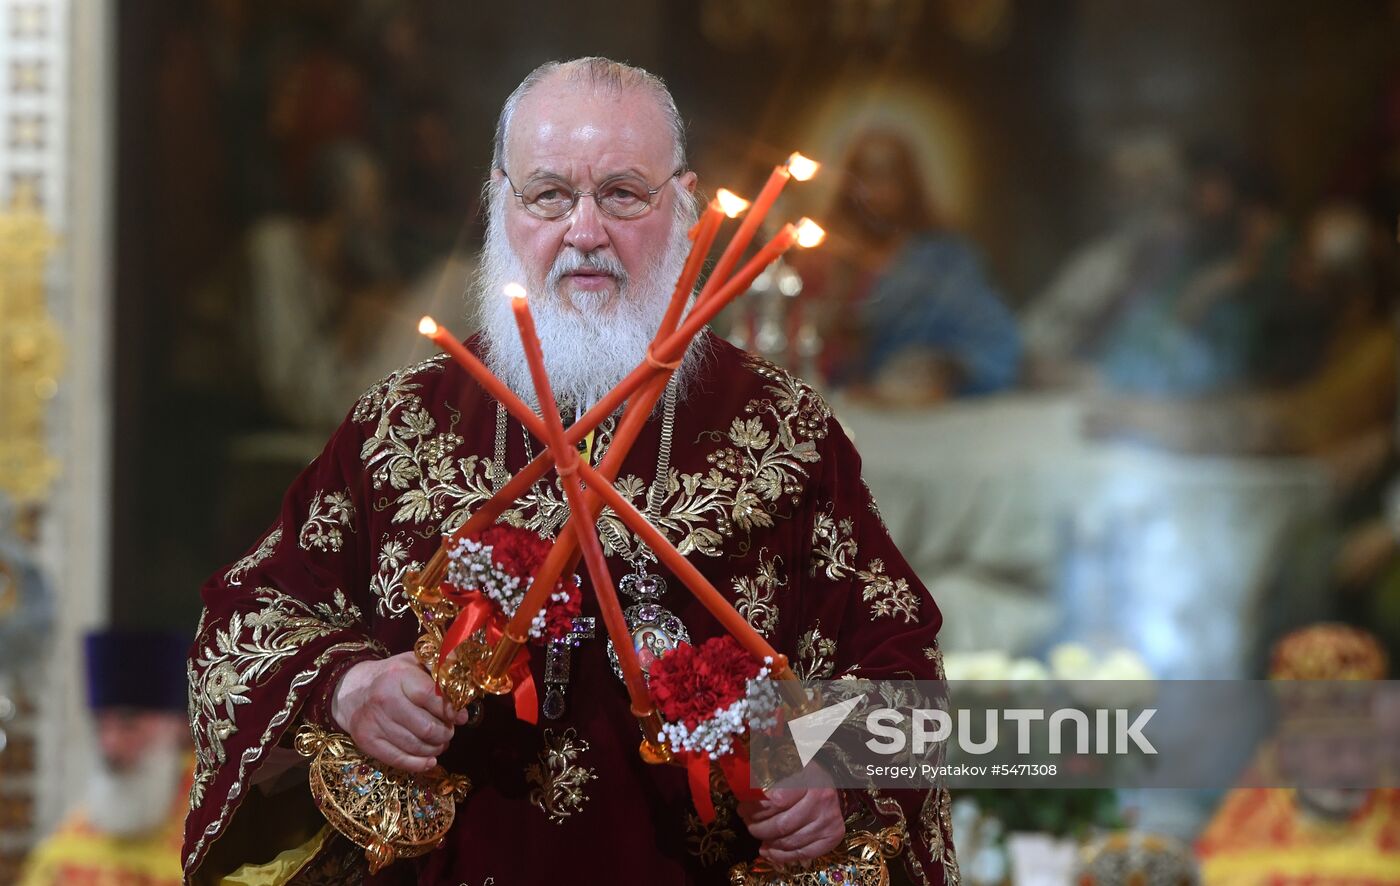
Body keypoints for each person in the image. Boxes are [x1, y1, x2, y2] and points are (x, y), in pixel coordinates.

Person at [182, 57, 956, 884]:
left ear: (683, 202)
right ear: (498, 201)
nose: (585, 231)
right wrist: (348, 687)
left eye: (623, 193)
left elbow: (908, 679)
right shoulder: (399, 425)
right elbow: (243, 625)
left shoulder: (784, 433)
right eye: (549, 193)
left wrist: (822, 763)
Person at [794, 127, 1021, 404]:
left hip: (925, 414)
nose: (874, 192)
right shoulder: (823, 255)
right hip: (841, 409)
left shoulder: (944, 260)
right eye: (862, 176)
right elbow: (789, 345)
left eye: (887, 176)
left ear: (909, 181)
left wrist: (941, 368)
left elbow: (991, 335)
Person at [1195, 623, 1400, 884]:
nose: (1352, 770)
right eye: (1333, 751)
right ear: (1291, 752)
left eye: (1365, 749)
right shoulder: (1237, 850)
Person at [20, 630, 192, 886]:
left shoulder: (220, 828)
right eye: (100, 724)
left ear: (179, 726)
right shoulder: (66, 848)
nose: (109, 744)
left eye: (129, 724)